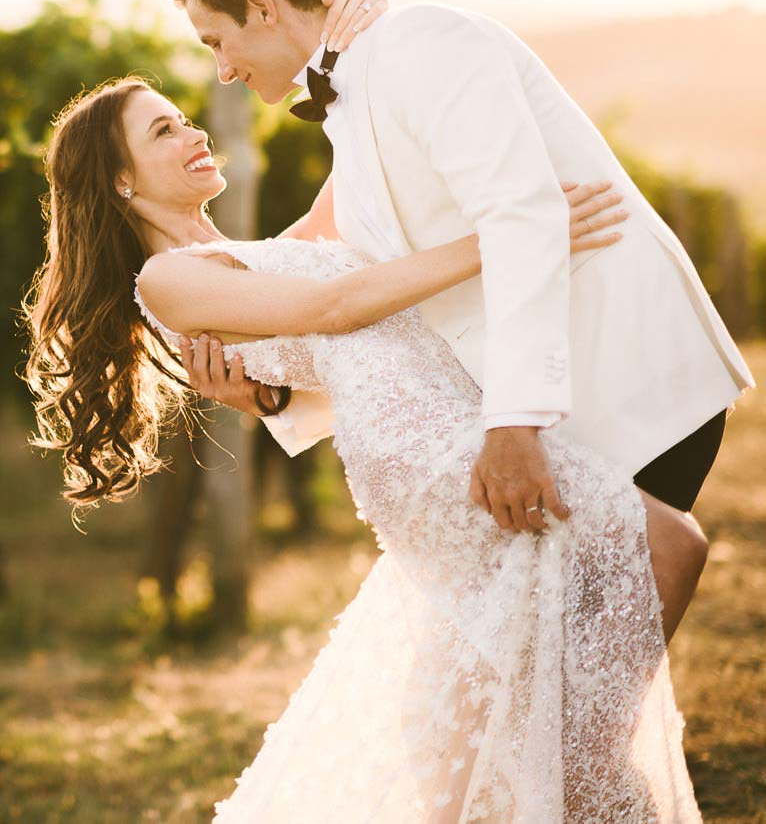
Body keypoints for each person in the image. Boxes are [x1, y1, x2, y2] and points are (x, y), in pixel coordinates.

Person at [25, 72, 704, 820]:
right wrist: (515, 235)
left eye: (186, 119)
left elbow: (357, 179)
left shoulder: (253, 251)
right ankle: (579, 781)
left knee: (481, 686)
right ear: (120, 180)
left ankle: (564, 785)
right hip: (420, 453)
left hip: (442, 425)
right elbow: (336, 307)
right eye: (163, 131)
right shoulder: (165, 280)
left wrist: (353, 60)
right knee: (666, 545)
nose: (194, 134)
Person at [174, 0, 754, 641]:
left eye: (216, 40)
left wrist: (513, 423)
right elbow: (354, 294)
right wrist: (263, 379)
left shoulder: (421, 43)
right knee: (541, 675)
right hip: (562, 402)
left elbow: (520, 217)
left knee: (574, 667)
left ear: (260, 7)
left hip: (620, 375)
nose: (222, 69)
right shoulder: (351, 113)